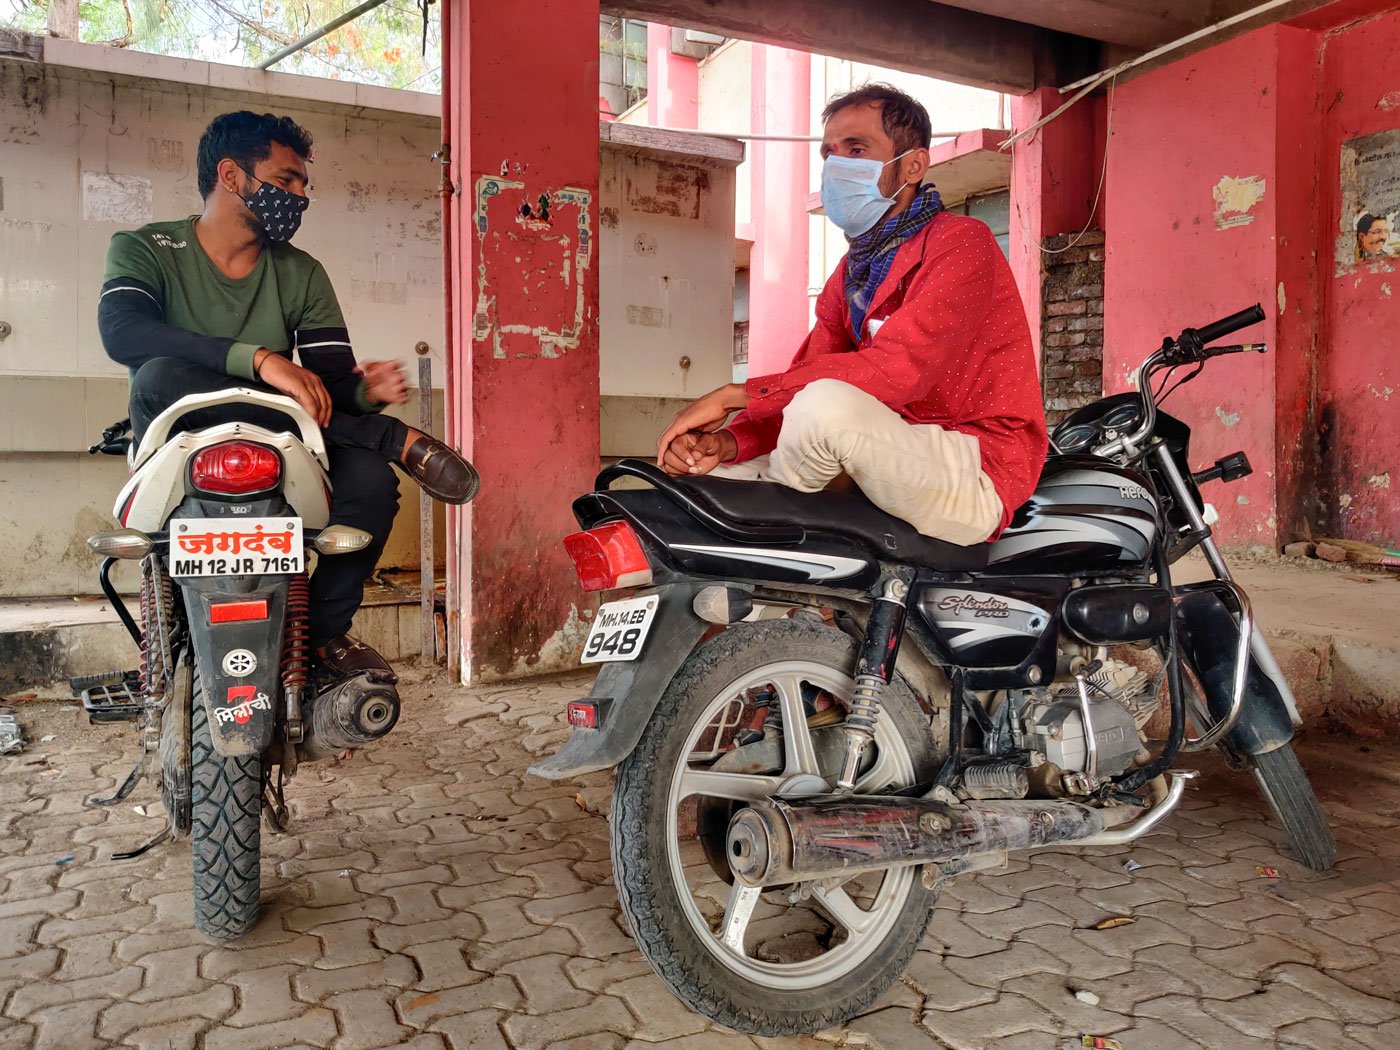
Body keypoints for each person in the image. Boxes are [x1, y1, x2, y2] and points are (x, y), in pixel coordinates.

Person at [98, 110, 478, 678]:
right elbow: (123, 334)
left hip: (277, 438)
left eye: (303, 185)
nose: (299, 196)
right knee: (159, 374)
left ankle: (322, 638)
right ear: (231, 176)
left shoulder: (302, 273)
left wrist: (364, 393)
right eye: (284, 181)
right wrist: (261, 360)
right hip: (178, 432)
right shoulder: (145, 248)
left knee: (373, 482)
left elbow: (326, 388)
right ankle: (391, 440)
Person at [655, 85, 1046, 546]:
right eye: (829, 153)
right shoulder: (853, 274)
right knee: (717, 470)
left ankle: (781, 557)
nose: (836, 166)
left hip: (975, 470)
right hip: (883, 451)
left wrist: (734, 395)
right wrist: (724, 444)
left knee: (824, 407)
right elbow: (801, 382)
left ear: (914, 165)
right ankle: (749, 604)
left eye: (856, 149)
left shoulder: (963, 243)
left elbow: (894, 374)